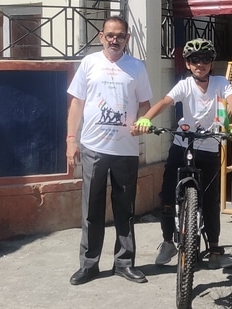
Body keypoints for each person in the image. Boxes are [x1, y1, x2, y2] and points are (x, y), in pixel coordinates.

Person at [133, 38, 232, 269]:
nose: (200, 64)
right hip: (182, 145)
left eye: (205, 59)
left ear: (211, 62)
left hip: (209, 146)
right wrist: (145, 118)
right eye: (195, 60)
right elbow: (165, 102)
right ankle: (167, 242)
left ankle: (214, 250)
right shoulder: (184, 85)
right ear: (187, 64)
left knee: (211, 201)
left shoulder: (221, 82)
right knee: (167, 194)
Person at [66, 15, 152, 285]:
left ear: (127, 38)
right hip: (93, 147)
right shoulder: (89, 63)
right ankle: (89, 265)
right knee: (92, 209)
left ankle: (124, 263)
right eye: (110, 35)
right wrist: (71, 139)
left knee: (125, 208)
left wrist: (143, 122)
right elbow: (77, 103)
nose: (115, 40)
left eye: (121, 36)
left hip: (125, 149)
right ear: (102, 36)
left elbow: (145, 104)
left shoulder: (136, 67)